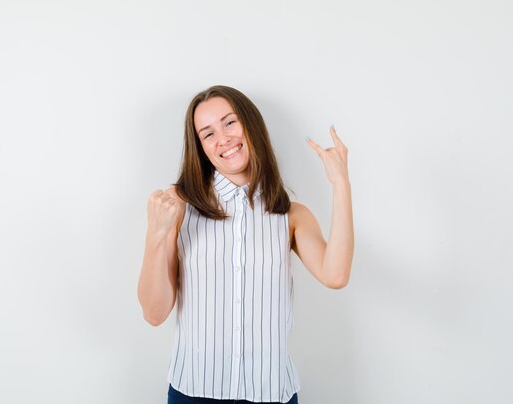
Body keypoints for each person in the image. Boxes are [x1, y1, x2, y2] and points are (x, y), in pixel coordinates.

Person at [137, 85, 354, 404]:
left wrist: (341, 185)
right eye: (207, 134)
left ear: (251, 125)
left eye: (229, 122)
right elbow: (154, 313)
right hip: (194, 392)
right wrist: (157, 232)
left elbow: (335, 275)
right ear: (200, 147)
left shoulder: (290, 214)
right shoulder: (178, 208)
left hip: (272, 393)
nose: (222, 138)